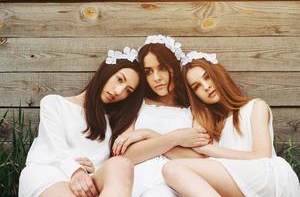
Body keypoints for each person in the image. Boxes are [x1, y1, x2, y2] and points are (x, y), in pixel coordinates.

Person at [162, 51, 300, 197]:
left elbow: (261, 155)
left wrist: (210, 150)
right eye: (197, 87)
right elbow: (199, 160)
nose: (206, 86)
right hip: (237, 182)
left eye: (208, 77)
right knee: (175, 174)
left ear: (219, 75)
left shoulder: (255, 106)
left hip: (266, 176)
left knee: (172, 169)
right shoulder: (210, 124)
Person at [19, 47, 145, 197]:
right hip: (50, 172)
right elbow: (55, 148)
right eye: (119, 79)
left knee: (121, 164)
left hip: (91, 180)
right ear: (107, 71)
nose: (119, 91)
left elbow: (114, 163)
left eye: (128, 91)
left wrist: (147, 133)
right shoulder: (54, 104)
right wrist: (76, 171)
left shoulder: (114, 121)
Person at [112, 35, 210, 197]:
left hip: (173, 182)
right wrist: (176, 139)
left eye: (162, 68)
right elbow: (125, 155)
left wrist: (147, 135)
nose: (156, 78)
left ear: (174, 67)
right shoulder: (137, 105)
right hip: (134, 179)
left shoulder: (195, 109)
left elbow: (199, 158)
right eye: (149, 72)